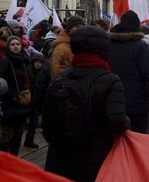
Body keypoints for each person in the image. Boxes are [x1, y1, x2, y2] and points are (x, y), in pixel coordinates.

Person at [43, 26, 130, 181]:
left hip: (62, 155)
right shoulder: (110, 80)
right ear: (103, 50)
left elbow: (47, 119)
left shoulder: (62, 78)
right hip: (96, 156)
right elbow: (117, 120)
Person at [0, 36, 30, 155]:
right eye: (13, 44)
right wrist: (12, 95)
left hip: (21, 101)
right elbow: (1, 81)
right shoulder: (5, 61)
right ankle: (2, 159)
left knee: (18, 133)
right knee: (6, 133)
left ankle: (13, 158)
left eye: (18, 44)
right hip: (9, 101)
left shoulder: (23, 59)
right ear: (8, 46)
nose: (16, 46)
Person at [49, 15, 85, 80]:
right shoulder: (62, 48)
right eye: (77, 27)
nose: (80, 29)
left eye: (82, 27)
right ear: (69, 29)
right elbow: (60, 73)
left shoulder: (78, 44)